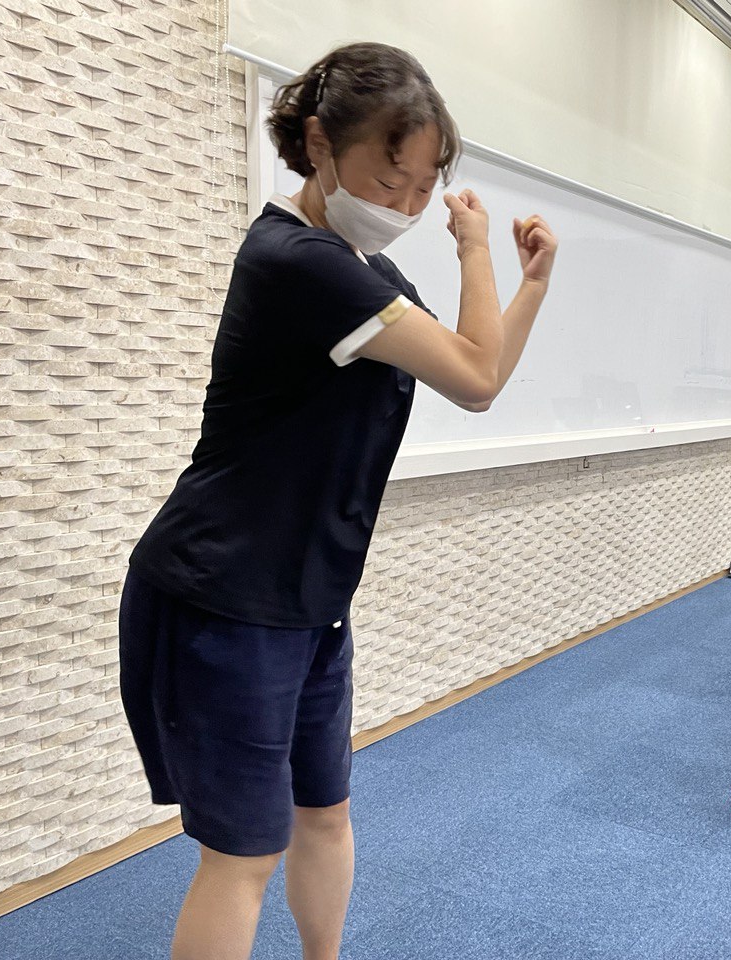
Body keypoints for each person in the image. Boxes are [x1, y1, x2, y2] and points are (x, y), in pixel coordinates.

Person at [119, 43, 558, 960]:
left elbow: (476, 378)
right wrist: (476, 246)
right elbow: (477, 372)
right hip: (227, 595)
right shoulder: (299, 261)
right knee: (243, 855)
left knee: (324, 813)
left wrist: (532, 285)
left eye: (422, 187)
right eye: (388, 179)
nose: (405, 205)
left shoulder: (362, 271)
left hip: (310, 599)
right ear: (319, 144)